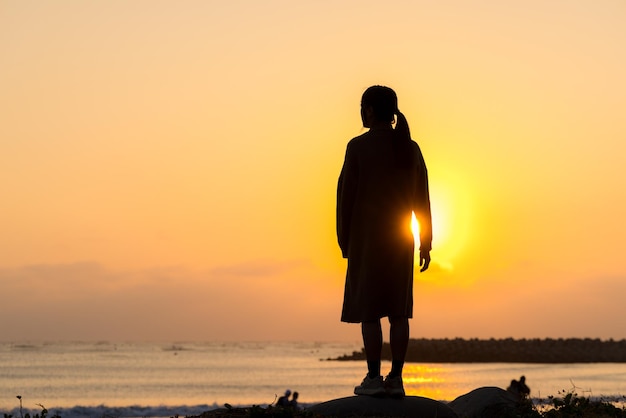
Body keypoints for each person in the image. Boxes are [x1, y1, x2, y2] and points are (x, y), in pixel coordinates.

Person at [337, 85, 432, 398]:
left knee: (370, 311)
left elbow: (344, 198)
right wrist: (426, 243)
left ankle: (374, 378)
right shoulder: (410, 148)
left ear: (370, 110)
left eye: (362, 106)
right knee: (398, 313)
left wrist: (344, 241)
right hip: (401, 241)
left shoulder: (358, 147)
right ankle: (397, 379)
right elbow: (423, 200)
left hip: (367, 241)